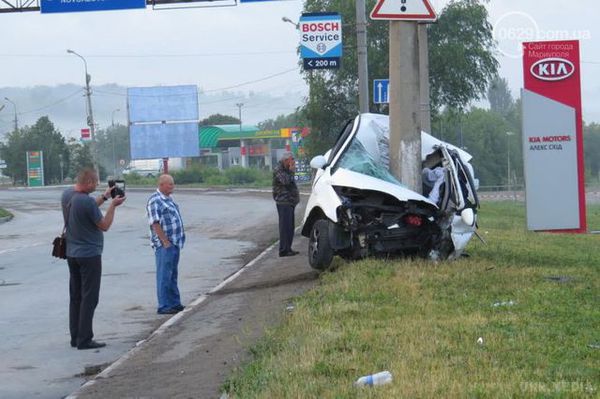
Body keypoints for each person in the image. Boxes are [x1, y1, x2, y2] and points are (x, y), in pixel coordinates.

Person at [61, 168, 126, 350]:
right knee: (90, 297)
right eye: (96, 183)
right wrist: (113, 205)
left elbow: (86, 210)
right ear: (88, 182)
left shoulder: (67, 195)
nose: (97, 186)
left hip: (72, 253)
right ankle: (85, 339)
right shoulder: (87, 202)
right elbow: (104, 225)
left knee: (76, 296)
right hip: (89, 255)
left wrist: (104, 197)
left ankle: (76, 337)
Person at [146, 174, 186, 315]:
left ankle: (175, 303)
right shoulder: (155, 201)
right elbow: (155, 223)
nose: (172, 187)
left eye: (173, 184)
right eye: (170, 184)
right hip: (165, 245)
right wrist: (165, 242)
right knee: (164, 275)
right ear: (162, 185)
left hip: (174, 243)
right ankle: (164, 305)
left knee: (172, 274)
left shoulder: (168, 199)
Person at [272, 151, 300, 257]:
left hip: (290, 202)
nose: (293, 162)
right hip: (283, 202)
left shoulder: (286, 169)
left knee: (290, 227)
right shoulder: (278, 169)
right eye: (292, 159)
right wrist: (291, 171)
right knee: (285, 227)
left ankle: (288, 248)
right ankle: (283, 250)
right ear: (286, 160)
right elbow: (286, 181)